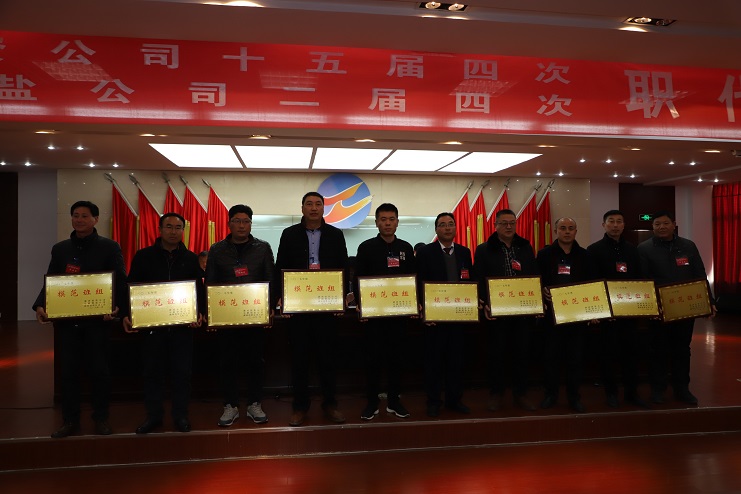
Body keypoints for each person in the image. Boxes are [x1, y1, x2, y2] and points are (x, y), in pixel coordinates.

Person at [32, 200, 127, 438]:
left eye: (85, 216)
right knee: (68, 373)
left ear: (95, 219)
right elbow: (52, 280)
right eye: (76, 215)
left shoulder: (109, 247)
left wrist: (117, 307)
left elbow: (120, 281)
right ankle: (70, 420)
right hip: (68, 323)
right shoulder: (60, 249)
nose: (79, 220)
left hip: (98, 323)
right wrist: (41, 304)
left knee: (99, 372)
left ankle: (101, 418)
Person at [122, 212, 204, 434]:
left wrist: (199, 313)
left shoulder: (191, 258)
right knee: (152, 373)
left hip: (182, 328)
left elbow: (199, 290)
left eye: (178, 227)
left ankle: (180, 416)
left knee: (182, 374)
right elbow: (131, 287)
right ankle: (154, 416)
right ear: (159, 230)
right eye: (169, 227)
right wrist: (128, 314)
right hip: (152, 328)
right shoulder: (143, 256)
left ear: (183, 231)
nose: (173, 231)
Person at [274, 192, 348, 426]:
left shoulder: (335, 234)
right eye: (309, 204)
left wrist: (341, 298)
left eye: (318, 204)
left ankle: (330, 404)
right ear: (302, 208)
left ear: (323, 208)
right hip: (299, 307)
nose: (314, 208)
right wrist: (282, 298)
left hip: (326, 306)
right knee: (300, 359)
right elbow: (280, 267)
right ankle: (299, 407)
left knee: (328, 359)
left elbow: (344, 267)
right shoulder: (289, 234)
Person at [206, 204, 275, 427]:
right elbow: (211, 281)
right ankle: (231, 405)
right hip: (226, 316)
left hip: (255, 315)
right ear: (229, 224)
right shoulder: (217, 249)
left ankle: (255, 403)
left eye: (246, 221)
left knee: (256, 361)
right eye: (237, 221)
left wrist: (269, 308)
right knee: (227, 362)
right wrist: (211, 312)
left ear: (251, 224)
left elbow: (270, 279)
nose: (242, 225)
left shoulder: (262, 248)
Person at [637, 210, 715, 406]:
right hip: (660, 311)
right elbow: (643, 280)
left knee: (682, 349)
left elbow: (699, 273)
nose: (661, 227)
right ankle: (658, 389)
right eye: (657, 224)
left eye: (665, 223)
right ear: (652, 227)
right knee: (658, 351)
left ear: (674, 224)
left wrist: (709, 301)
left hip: (685, 309)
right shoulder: (644, 249)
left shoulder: (688, 246)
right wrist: (651, 307)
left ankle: (682, 388)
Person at [354, 203, 416, 420]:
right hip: (374, 317)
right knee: (373, 359)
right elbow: (358, 277)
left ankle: (393, 401)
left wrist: (415, 302)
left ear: (397, 222)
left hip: (399, 315)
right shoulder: (366, 247)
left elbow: (413, 278)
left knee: (396, 359)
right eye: (383, 219)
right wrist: (361, 303)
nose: (387, 223)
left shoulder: (406, 248)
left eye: (391, 219)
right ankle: (372, 402)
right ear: (376, 222)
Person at [473, 209, 538, 412]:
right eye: (504, 223)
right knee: (496, 354)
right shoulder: (484, 249)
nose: (509, 226)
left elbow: (533, 275)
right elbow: (479, 278)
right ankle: (496, 392)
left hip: (522, 312)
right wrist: (485, 303)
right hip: (496, 313)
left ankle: (521, 393)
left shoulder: (525, 247)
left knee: (522, 354)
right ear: (495, 225)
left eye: (512, 223)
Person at [586, 210, 649, 409]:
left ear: (623, 225)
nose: (615, 225)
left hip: (629, 313)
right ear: (603, 225)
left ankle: (632, 393)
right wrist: (601, 310)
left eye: (619, 221)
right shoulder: (593, 250)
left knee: (631, 354)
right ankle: (611, 393)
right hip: (607, 315)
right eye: (611, 221)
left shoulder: (632, 249)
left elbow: (639, 279)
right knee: (608, 355)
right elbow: (592, 282)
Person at [415, 212, 473, 418]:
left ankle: (454, 400)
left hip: (458, 316)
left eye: (450, 224)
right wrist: (423, 309)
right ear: (436, 229)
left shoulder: (465, 252)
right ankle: (433, 401)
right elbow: (418, 282)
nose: (447, 228)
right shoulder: (425, 252)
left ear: (455, 228)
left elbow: (469, 281)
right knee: (434, 363)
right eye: (442, 225)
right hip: (435, 318)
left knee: (456, 361)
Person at [537, 217, 595, 413]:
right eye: (563, 228)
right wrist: (542, 289)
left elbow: (591, 284)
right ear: (556, 230)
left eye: (571, 228)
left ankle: (574, 397)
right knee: (550, 359)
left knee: (575, 359)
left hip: (577, 317)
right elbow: (537, 280)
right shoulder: (544, 254)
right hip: (552, 318)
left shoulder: (585, 255)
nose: (567, 231)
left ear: (576, 231)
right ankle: (550, 394)